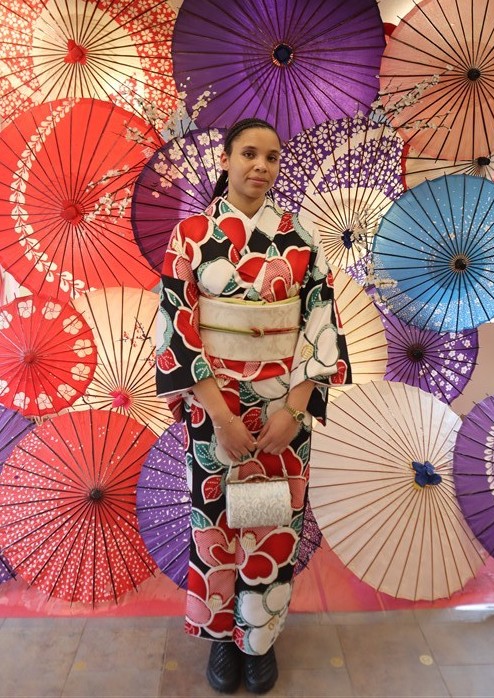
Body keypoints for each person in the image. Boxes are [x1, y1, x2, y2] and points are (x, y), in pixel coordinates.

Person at [155, 117, 351, 694]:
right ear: (226, 159)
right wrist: (220, 416)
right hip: (215, 408)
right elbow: (178, 327)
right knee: (217, 520)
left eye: (271, 157)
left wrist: (294, 410)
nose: (261, 166)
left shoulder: (301, 239)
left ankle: (259, 638)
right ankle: (223, 637)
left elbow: (320, 325)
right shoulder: (192, 235)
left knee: (271, 521)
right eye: (248, 154)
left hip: (283, 410)